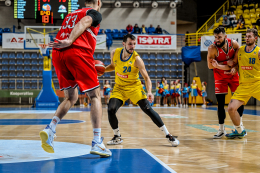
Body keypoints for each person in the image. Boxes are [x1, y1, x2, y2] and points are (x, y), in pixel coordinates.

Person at [44, 0, 112, 157]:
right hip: (76, 52)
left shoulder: (70, 15)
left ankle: (51, 128)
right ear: (98, 2)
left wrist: (67, 41)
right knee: (95, 95)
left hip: (58, 54)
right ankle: (96, 142)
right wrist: (70, 41)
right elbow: (86, 21)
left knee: (71, 97)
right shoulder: (93, 13)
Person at [104, 34, 179, 146]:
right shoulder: (114, 52)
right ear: (123, 43)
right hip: (119, 88)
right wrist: (102, 70)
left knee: (148, 109)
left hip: (134, 87)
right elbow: (113, 66)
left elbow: (147, 78)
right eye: (130, 43)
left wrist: (149, 92)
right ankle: (117, 137)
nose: (132, 46)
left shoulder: (137, 59)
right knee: (111, 109)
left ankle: (168, 135)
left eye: (134, 44)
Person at [207, 26, 244, 139]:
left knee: (239, 101)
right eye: (215, 37)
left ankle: (239, 127)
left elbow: (239, 56)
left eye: (219, 37)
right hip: (220, 77)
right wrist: (225, 65)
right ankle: (221, 129)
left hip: (233, 75)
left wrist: (235, 65)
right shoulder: (212, 48)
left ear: (225, 36)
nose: (217, 40)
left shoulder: (234, 44)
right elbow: (209, 66)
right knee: (221, 104)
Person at [226, 29, 260, 138]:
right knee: (231, 109)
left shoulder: (258, 52)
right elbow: (236, 63)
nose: (247, 38)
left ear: (255, 38)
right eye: (246, 36)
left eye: (250, 36)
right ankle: (240, 131)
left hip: (257, 84)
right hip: (244, 86)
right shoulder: (240, 50)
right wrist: (235, 68)